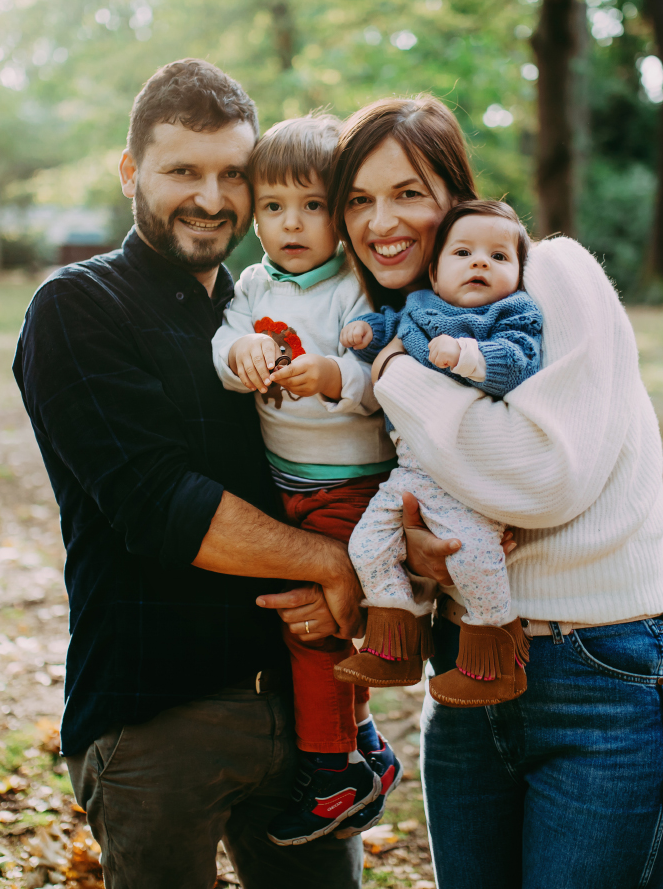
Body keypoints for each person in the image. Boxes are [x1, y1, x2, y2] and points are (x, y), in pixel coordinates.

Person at [314, 94, 663, 888]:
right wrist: (421, 555)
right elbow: (435, 501)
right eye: (358, 199)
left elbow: (542, 477)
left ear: (456, 195)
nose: (381, 221)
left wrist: (394, 376)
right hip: (463, 682)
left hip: (598, 673)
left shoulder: (550, 271)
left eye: (408, 193)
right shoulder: (398, 321)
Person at [12, 58, 365, 889]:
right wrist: (335, 564)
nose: (212, 197)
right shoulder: (77, 307)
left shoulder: (260, 307)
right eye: (182, 171)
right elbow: (159, 505)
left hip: (305, 710)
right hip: (158, 717)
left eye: (233, 174)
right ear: (131, 171)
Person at [210, 113, 402, 846]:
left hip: (350, 483)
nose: (291, 225)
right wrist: (242, 356)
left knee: (313, 630)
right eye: (272, 207)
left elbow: (381, 375)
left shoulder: (352, 286)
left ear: (341, 212)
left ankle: (333, 774)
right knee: (313, 615)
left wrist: (334, 374)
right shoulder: (255, 284)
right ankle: (365, 747)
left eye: (313, 206)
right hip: (285, 481)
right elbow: (224, 340)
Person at [334, 200, 543, 708]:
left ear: (518, 273)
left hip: (463, 477)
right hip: (410, 470)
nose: (480, 264)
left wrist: (469, 357)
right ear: (434, 269)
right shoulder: (420, 305)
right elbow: (393, 330)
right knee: (367, 545)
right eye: (464, 252)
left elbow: (518, 359)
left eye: (498, 257)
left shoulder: (511, 312)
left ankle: (493, 657)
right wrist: (367, 335)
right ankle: (395, 640)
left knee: (473, 559)